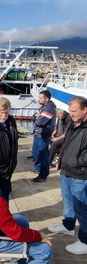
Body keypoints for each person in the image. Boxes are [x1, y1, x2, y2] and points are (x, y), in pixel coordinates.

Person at [48, 96, 87, 255]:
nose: (71, 114)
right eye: (70, 111)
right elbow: (67, 143)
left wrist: (75, 161)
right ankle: (68, 225)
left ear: (85, 110)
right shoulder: (72, 123)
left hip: (81, 173)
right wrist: (61, 160)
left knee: (82, 208)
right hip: (66, 169)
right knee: (68, 200)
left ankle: (85, 240)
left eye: (74, 111)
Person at [31, 90, 56, 183]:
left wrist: (37, 117)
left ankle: (43, 175)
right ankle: (38, 169)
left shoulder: (49, 108)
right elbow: (35, 117)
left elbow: (40, 122)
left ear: (46, 99)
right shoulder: (44, 107)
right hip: (39, 133)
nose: (39, 99)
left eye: (41, 98)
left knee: (43, 155)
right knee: (37, 153)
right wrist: (37, 116)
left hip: (43, 135)